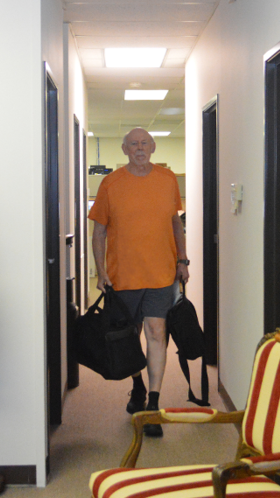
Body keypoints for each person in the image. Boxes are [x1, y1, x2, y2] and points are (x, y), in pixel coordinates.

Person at [89, 127, 189, 437]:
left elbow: (176, 224)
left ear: (154, 147)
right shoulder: (111, 183)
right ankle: (137, 386)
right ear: (124, 150)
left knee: (157, 332)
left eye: (145, 143)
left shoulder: (167, 180)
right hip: (124, 276)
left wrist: (182, 259)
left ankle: (154, 405)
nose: (140, 148)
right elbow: (99, 232)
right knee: (129, 337)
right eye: (133, 144)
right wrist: (100, 270)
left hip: (161, 273)